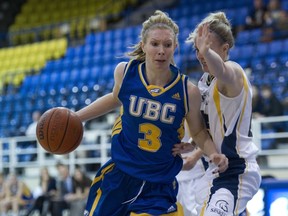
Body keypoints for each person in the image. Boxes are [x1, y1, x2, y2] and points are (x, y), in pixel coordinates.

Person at [75, 10, 228, 216]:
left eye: (167, 45)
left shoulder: (187, 90)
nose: (161, 50)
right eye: (155, 44)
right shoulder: (126, 72)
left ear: (175, 47)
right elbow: (115, 98)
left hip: (158, 184)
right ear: (143, 45)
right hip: (120, 174)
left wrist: (213, 154)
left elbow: (199, 132)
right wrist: (76, 117)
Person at [173, 11, 262, 216]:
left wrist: (206, 51)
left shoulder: (233, 72)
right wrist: (195, 146)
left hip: (238, 168)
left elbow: (221, 70)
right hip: (216, 169)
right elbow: (212, 128)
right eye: (197, 49)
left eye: (207, 48)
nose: (200, 55)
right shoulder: (205, 82)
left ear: (225, 49)